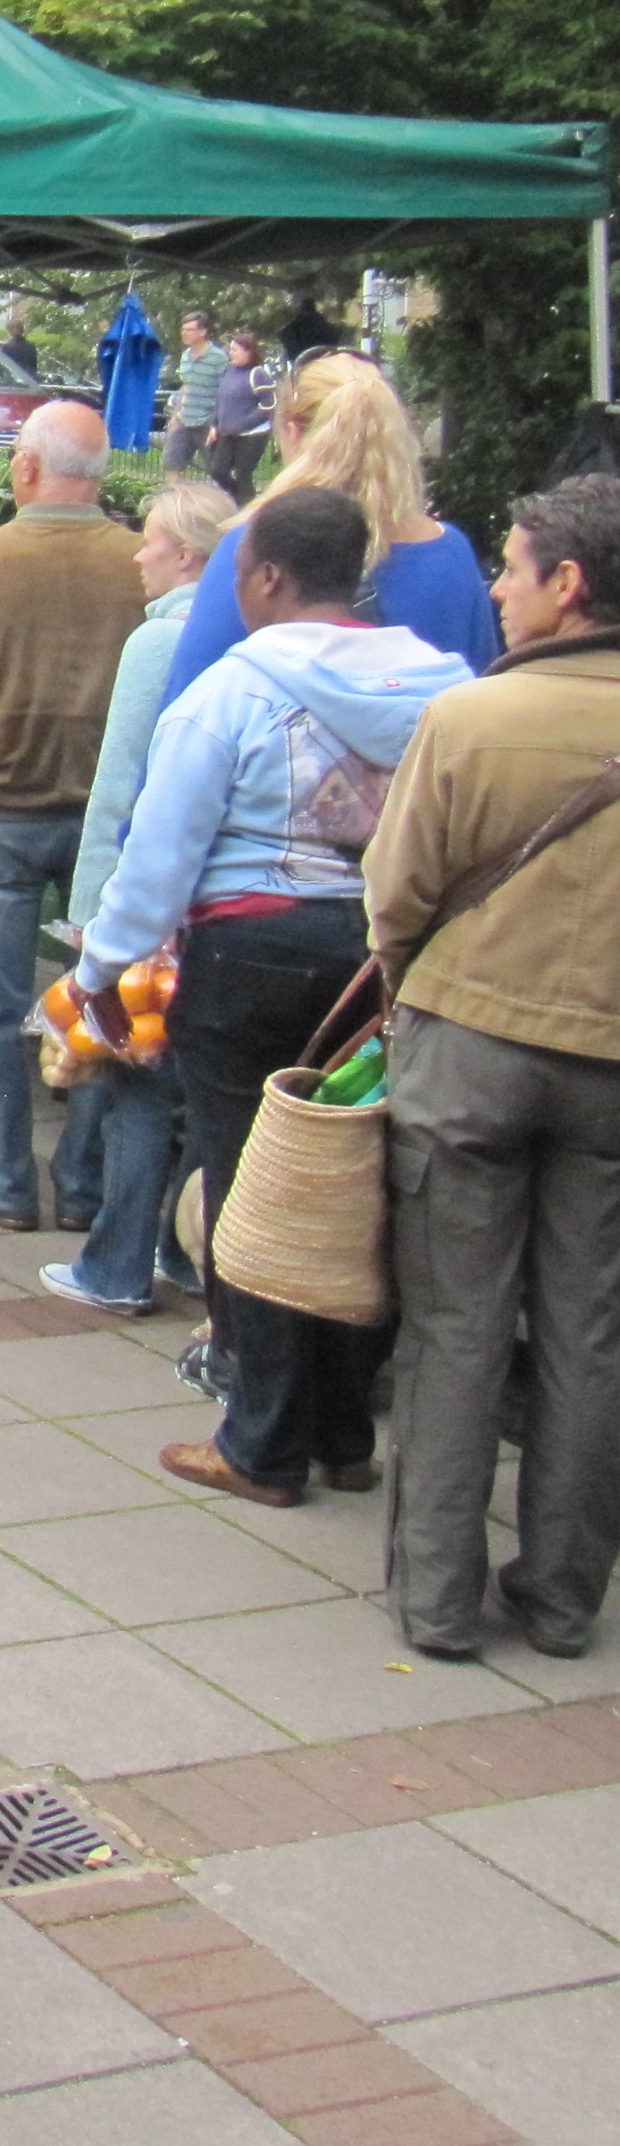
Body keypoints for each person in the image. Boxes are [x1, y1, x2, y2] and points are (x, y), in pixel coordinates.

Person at [76, 486, 473, 1507]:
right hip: (382, 960)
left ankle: (261, 1435)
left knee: (246, 1194)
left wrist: (100, 971)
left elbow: (159, 854)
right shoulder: (444, 686)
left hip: (250, 954)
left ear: (265, 577)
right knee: (357, 1190)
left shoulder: (229, 691)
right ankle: (345, 1425)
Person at [366, 474, 620, 1660]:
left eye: (510, 571)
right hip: (611, 1070)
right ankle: (565, 1594)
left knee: (456, 1326)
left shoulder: (471, 719)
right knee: (588, 1329)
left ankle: (437, 1597)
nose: (498, 594)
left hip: (469, 1046)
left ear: (568, 585)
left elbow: (398, 890)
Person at [0, 402, 147, 1231]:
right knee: (99, 999)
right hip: (108, 811)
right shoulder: (140, 563)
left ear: (25, 469)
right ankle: (86, 1183)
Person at [39, 478, 237, 1312]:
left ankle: (114, 1264)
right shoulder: (250, 635)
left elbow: (119, 788)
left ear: (187, 554)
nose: (138, 552)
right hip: (227, 902)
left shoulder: (158, 645)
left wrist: (91, 918)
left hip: (152, 901)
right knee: (204, 1088)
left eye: (151, 539)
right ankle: (185, 1252)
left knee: (136, 1084)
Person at [158, 354, 498, 705]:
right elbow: (482, 701)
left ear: (291, 432)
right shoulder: (452, 553)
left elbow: (187, 708)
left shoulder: (252, 549)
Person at [162, 310, 230, 478]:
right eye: (183, 329)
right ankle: (177, 501)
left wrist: (218, 422)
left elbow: (226, 391)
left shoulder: (218, 358)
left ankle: (226, 500)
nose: (184, 333)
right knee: (172, 463)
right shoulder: (185, 356)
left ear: (202, 332)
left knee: (216, 470)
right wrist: (175, 415)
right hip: (184, 420)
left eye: (189, 330)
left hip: (207, 421)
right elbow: (187, 386)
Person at [208, 331, 270, 500]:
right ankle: (242, 497)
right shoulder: (229, 372)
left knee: (243, 473)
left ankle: (244, 506)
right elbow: (220, 400)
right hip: (227, 433)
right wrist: (214, 425)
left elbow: (269, 405)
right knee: (217, 471)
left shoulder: (258, 374)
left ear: (248, 351)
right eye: (231, 349)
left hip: (253, 435)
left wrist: (245, 422)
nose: (231, 353)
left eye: (235, 350)